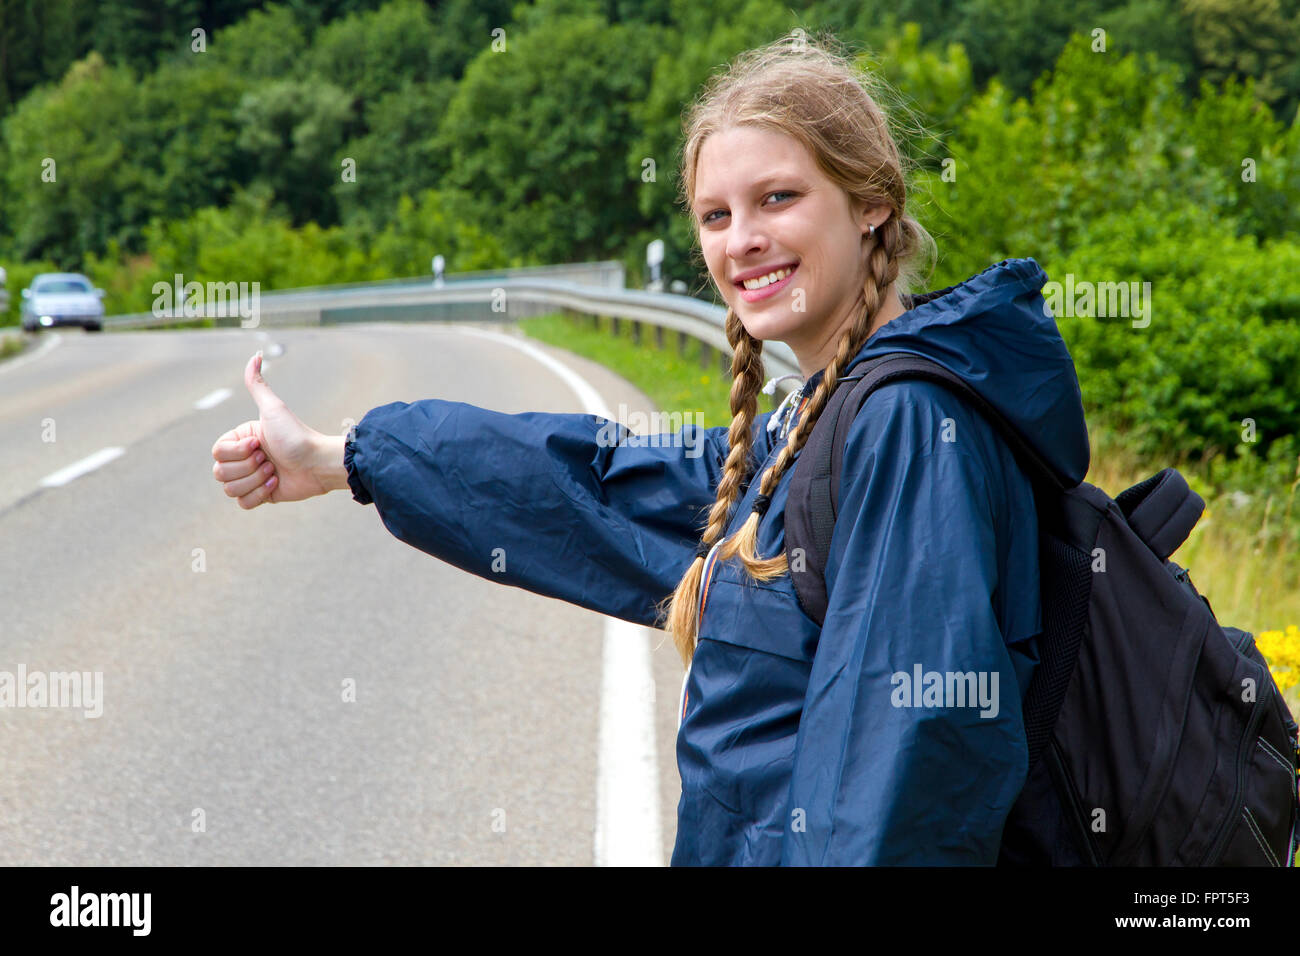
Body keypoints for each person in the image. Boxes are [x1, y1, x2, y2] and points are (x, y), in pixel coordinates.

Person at [210, 34, 1090, 865]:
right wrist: (343, 458)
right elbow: (595, 488)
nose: (741, 239)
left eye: (777, 198)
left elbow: (907, 774)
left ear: (872, 204)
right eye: (715, 213)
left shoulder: (906, 428)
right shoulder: (809, 431)